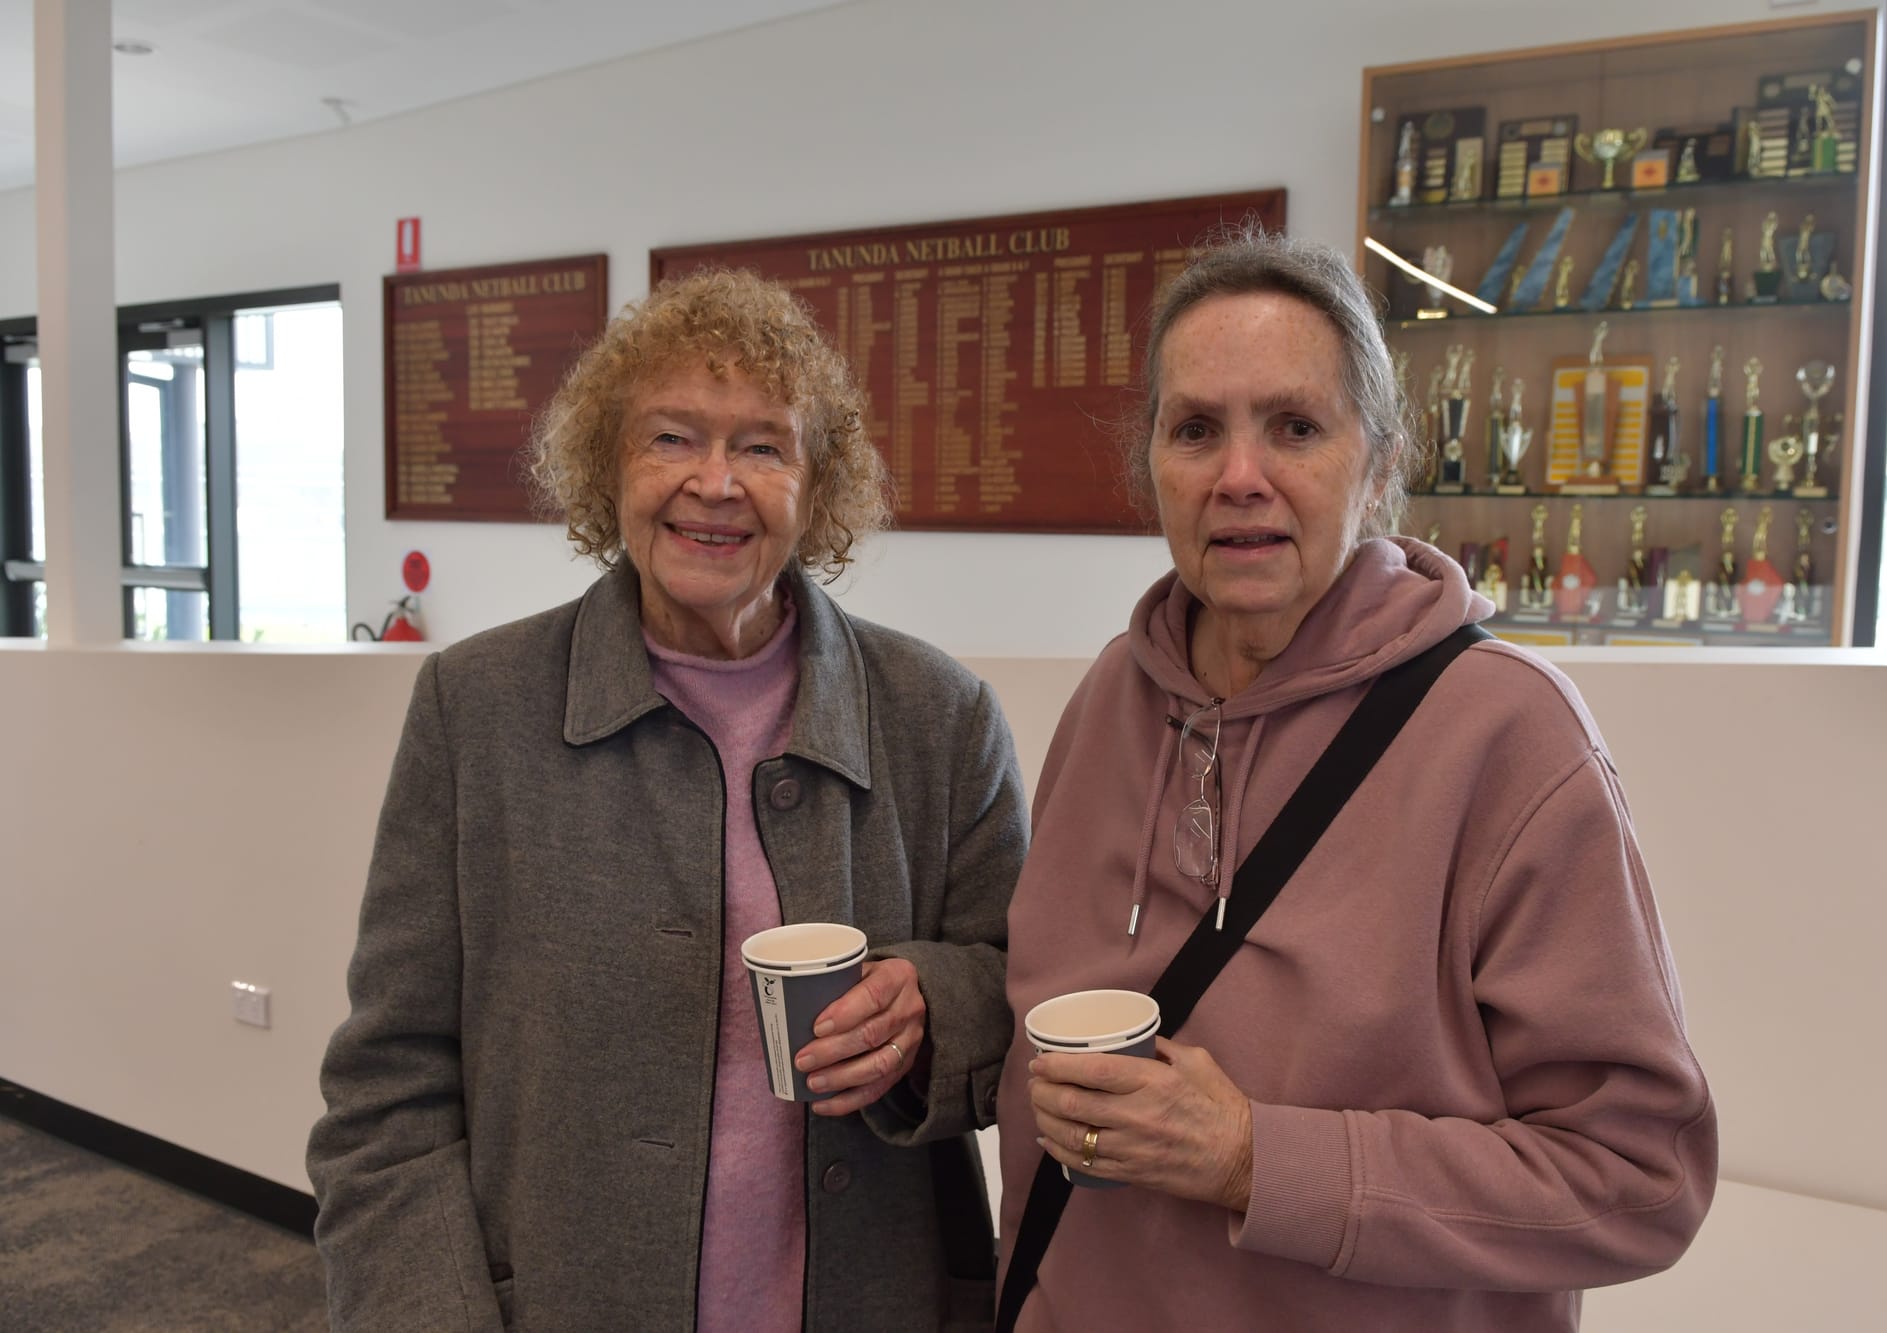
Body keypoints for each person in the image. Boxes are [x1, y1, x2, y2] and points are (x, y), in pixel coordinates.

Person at [996, 230, 1717, 1331]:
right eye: (1196, 429)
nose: (1239, 477)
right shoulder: (1111, 698)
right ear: (1150, 465)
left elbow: (1637, 1176)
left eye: (1295, 426)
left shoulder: (1507, 733)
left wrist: (1255, 1158)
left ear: (1379, 464)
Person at [307, 269, 1026, 1331]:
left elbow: (1022, 982)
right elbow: (388, 1090)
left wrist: (929, 1004)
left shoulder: (941, 717)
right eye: (671, 437)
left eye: (763, 447)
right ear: (610, 467)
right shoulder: (477, 708)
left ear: (817, 486)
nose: (714, 482)